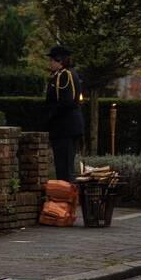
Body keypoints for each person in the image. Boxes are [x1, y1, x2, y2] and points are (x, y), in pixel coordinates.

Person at [46, 45, 84, 182]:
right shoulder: (61, 75)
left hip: (65, 128)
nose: (50, 63)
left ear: (59, 60)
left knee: (65, 169)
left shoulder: (65, 75)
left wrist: (51, 115)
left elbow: (66, 102)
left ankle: (67, 201)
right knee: (62, 167)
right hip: (64, 128)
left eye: (52, 60)